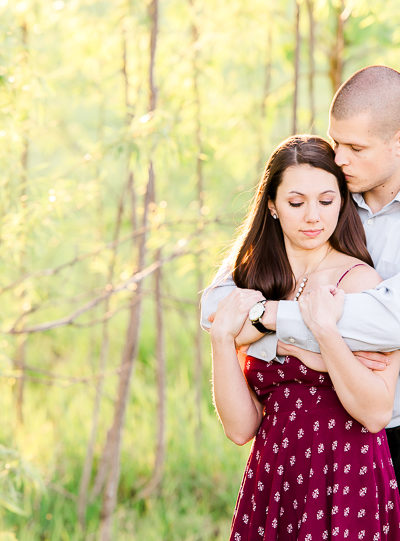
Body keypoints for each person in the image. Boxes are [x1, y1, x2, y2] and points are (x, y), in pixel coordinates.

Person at [201, 65, 400, 486]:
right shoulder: (329, 196)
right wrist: (310, 345)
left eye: (355, 147)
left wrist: (270, 321)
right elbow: (215, 307)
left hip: (377, 430)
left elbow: (392, 323)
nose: (340, 158)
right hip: (292, 451)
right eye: (336, 141)